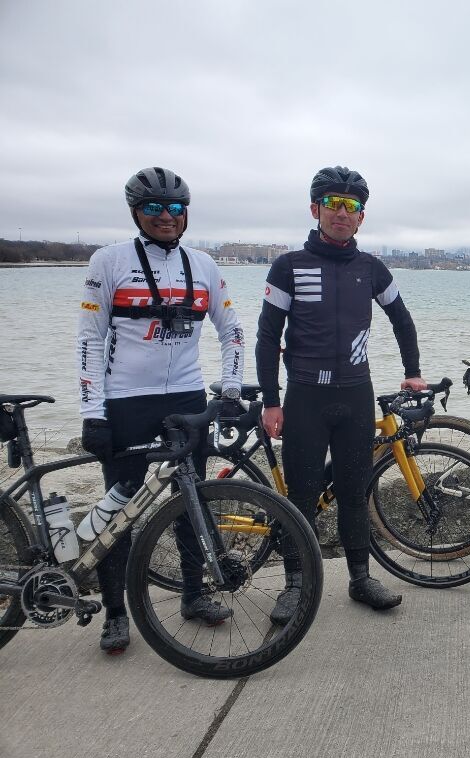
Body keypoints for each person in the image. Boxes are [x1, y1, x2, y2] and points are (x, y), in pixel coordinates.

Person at [77, 166, 244, 653]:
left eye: (175, 208)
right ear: (136, 213)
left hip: (187, 399)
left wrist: (230, 392)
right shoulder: (108, 261)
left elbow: (232, 330)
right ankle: (115, 614)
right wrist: (92, 412)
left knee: (191, 503)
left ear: (186, 214)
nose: (166, 216)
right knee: (120, 509)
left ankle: (194, 595)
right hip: (127, 401)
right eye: (153, 207)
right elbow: (89, 340)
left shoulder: (204, 265)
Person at [256, 166, 425, 623]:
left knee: (354, 492)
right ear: (315, 209)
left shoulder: (370, 268)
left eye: (351, 206)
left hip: (354, 396)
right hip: (305, 397)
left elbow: (402, 319)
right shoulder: (288, 266)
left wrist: (412, 372)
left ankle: (360, 579)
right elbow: (268, 337)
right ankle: (295, 585)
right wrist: (271, 401)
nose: (342, 213)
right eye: (333, 203)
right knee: (301, 497)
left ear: (361, 217)